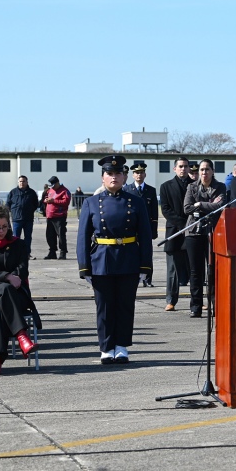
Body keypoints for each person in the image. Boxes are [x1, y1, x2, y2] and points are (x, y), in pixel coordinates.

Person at [77, 156, 153, 364]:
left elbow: (145, 236)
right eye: (110, 174)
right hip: (101, 260)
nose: (114, 177)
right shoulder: (91, 203)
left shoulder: (136, 202)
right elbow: (83, 237)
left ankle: (121, 346)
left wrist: (145, 265)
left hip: (128, 258)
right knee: (104, 307)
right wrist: (84, 267)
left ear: (125, 176)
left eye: (118, 173)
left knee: (125, 306)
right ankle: (106, 347)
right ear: (103, 178)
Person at [0, 205, 41, 376]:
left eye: (5, 226)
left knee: (0, 300)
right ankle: (22, 336)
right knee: (2, 291)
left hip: (15, 294)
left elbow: (21, 273)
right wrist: (6, 277)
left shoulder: (19, 244)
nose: (1, 230)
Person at [183, 159, 227, 319]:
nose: (204, 172)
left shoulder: (220, 187)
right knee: (196, 272)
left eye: (207, 169)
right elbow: (187, 208)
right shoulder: (191, 187)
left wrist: (199, 204)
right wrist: (207, 204)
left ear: (212, 171)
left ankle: (215, 305)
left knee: (213, 271)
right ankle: (196, 306)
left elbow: (221, 206)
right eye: (201, 170)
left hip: (214, 232)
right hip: (194, 232)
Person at [159, 157, 193, 311]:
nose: (183, 169)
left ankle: (197, 300)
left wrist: (189, 224)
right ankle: (171, 300)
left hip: (193, 232)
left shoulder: (196, 186)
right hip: (174, 232)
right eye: (180, 166)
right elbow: (165, 209)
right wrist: (182, 224)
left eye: (186, 166)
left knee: (194, 269)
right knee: (173, 271)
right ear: (174, 169)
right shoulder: (166, 186)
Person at [123, 163, 159, 287]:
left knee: (147, 252)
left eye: (141, 172)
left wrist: (154, 230)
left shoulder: (151, 190)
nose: (139, 175)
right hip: (131, 227)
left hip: (146, 227)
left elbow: (154, 213)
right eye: (137, 173)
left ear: (145, 174)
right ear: (133, 175)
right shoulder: (127, 190)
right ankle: (132, 277)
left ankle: (148, 279)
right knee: (131, 253)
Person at [6, 175, 39, 259]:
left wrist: (29, 210)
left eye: (23, 181)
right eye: (20, 181)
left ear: (27, 182)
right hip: (17, 219)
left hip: (28, 219)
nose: (22, 183)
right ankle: (16, 254)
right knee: (16, 237)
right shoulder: (13, 192)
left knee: (28, 237)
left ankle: (27, 254)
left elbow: (35, 204)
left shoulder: (32, 192)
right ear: (18, 182)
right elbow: (8, 204)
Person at [43, 176, 71, 260]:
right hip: (50, 216)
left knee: (61, 235)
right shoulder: (50, 190)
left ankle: (63, 252)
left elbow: (66, 202)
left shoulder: (65, 191)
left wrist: (53, 201)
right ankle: (52, 252)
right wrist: (46, 200)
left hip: (59, 216)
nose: (52, 187)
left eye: (53, 185)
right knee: (50, 235)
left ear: (58, 183)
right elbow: (47, 198)